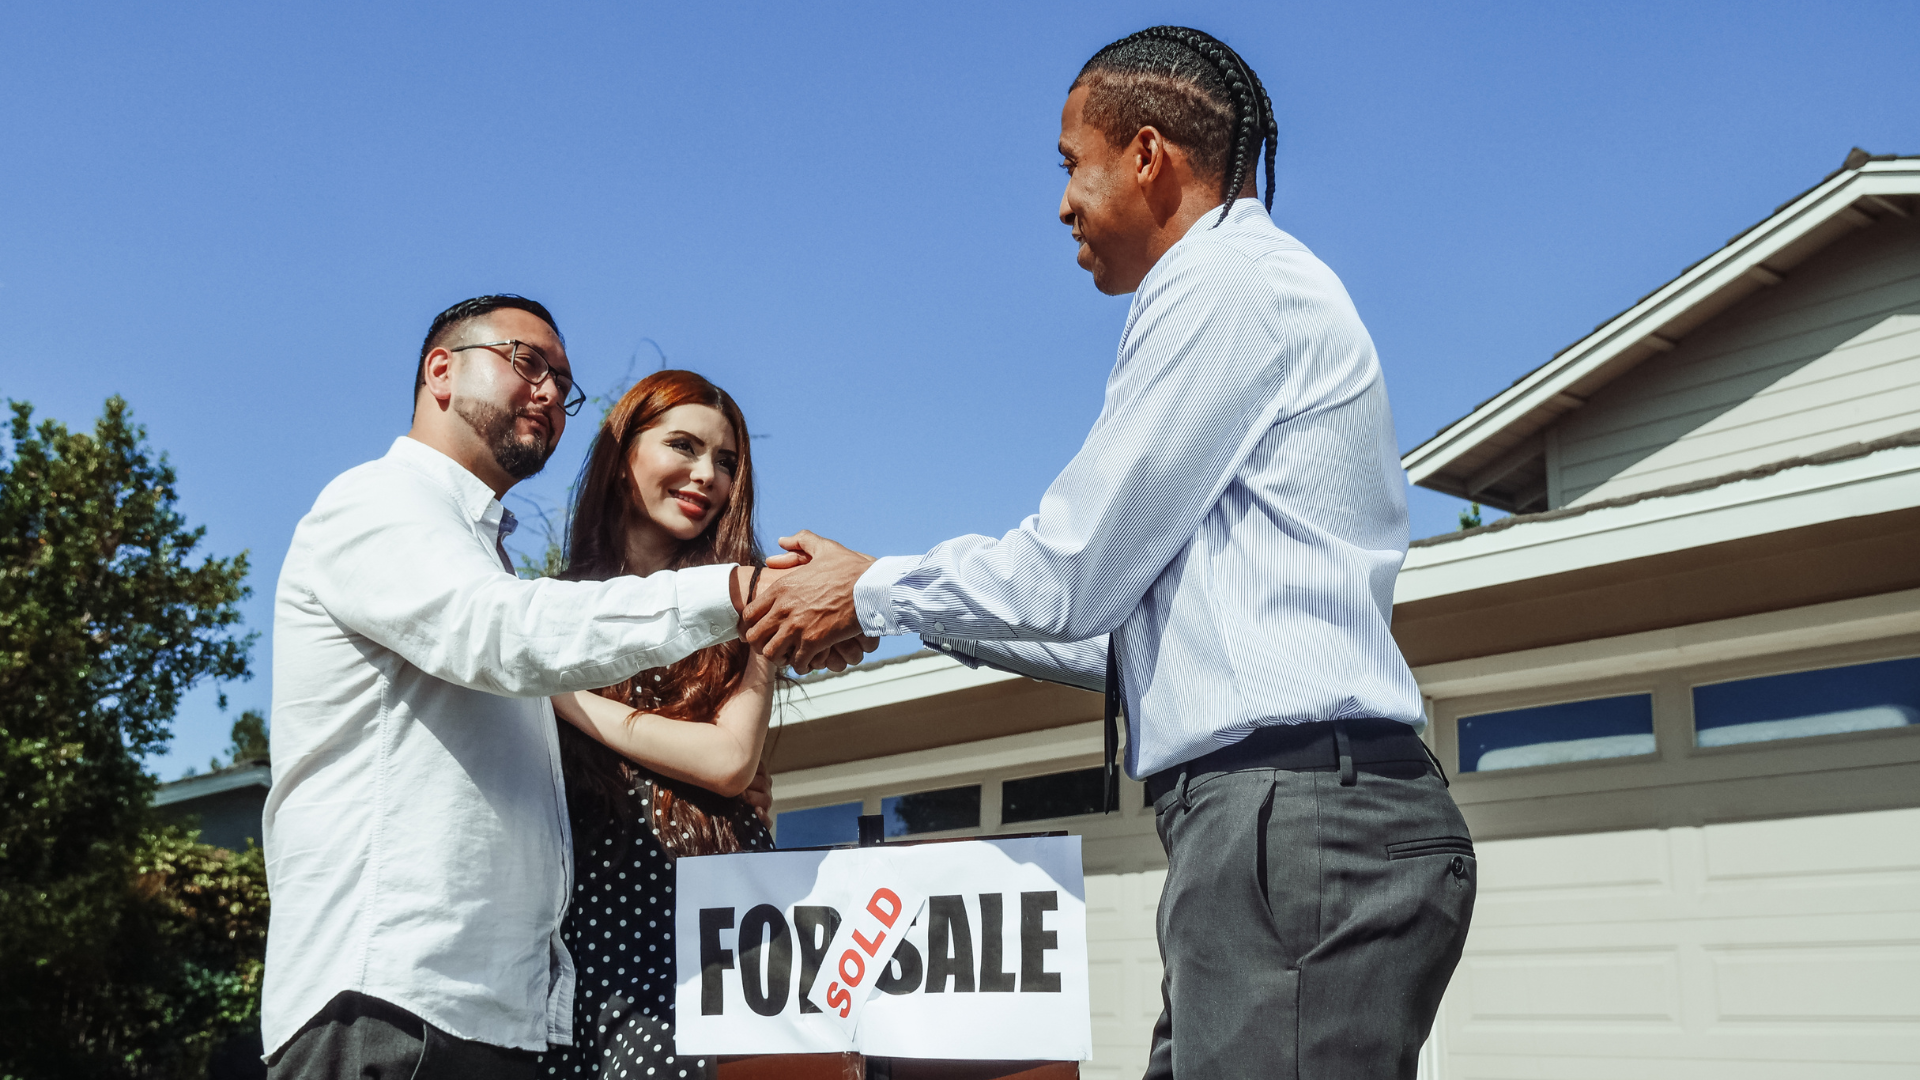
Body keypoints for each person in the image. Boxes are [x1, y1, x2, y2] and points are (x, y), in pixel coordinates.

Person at [744, 27, 1474, 1079]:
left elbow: (1071, 572)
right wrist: (904, 607)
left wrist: (871, 592)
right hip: (1278, 826)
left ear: (1146, 154)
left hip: (1294, 821)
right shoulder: (1240, 289)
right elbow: (1119, 641)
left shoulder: (1223, 285)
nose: (1060, 204)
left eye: (1069, 165)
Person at [262, 296, 861, 1079]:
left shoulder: (484, 556)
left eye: (564, 382)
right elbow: (506, 635)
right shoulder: (378, 504)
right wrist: (749, 593)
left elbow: (711, 757)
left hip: (496, 1014)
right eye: (527, 362)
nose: (549, 392)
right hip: (393, 1000)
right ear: (440, 370)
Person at [533, 370, 779, 1080]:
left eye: (727, 462)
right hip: (579, 941)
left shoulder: (748, 610)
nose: (708, 475)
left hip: (712, 936)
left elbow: (730, 761)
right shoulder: (545, 611)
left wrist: (557, 695)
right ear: (623, 458)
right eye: (684, 445)